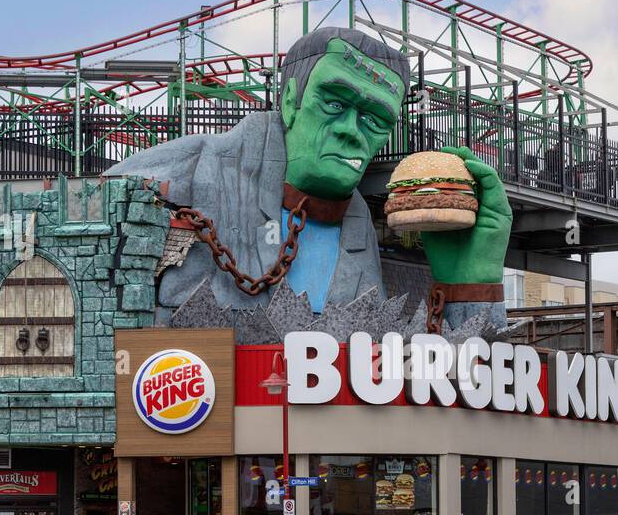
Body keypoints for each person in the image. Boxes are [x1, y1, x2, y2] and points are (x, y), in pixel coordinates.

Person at [107, 28, 511, 333]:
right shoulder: (179, 173)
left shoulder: (357, 228)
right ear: (289, 101)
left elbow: (457, 404)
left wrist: (470, 284)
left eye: (376, 119)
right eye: (334, 103)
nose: (352, 131)